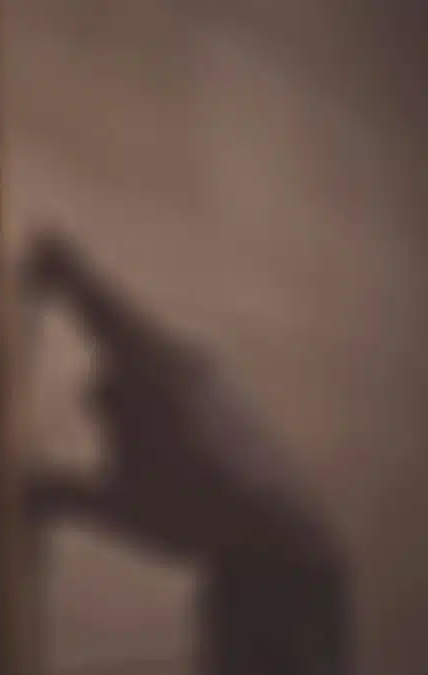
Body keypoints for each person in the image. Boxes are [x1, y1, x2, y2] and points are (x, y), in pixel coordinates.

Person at [21, 233, 352, 675]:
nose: (103, 438)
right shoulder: (182, 403)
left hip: (285, 563)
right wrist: (67, 272)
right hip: (284, 556)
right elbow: (107, 313)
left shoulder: (176, 464)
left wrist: (66, 272)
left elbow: (74, 496)